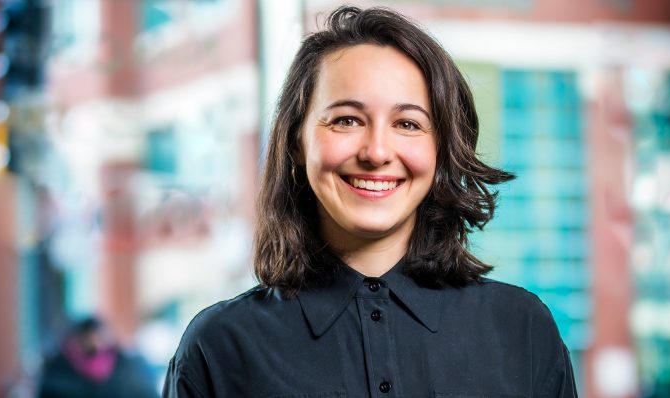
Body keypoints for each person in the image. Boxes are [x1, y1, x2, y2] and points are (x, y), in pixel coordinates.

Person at [163, 6, 577, 397]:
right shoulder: (218, 348)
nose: (377, 152)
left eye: (408, 124)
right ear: (296, 144)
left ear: (442, 150)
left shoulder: (521, 329)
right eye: (347, 120)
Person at [38, 317, 158, 398]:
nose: (96, 342)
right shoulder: (59, 365)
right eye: (91, 336)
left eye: (99, 336)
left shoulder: (123, 365)